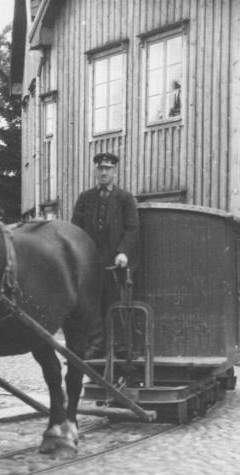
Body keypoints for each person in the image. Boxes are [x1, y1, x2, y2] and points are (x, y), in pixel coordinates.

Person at [71, 152, 139, 358]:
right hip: (91, 261)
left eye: (108, 169)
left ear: (114, 172)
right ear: (95, 171)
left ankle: (121, 346)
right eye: (100, 169)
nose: (103, 173)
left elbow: (132, 228)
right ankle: (97, 344)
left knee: (116, 302)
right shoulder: (85, 198)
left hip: (115, 262)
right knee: (92, 303)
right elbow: (76, 229)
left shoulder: (125, 199)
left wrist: (123, 252)